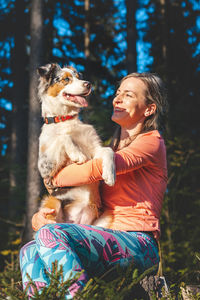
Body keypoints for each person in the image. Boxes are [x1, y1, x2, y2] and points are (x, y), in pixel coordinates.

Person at [20, 72, 168, 299]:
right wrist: (43, 216)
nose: (117, 99)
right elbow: (78, 191)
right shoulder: (109, 146)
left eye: (128, 95)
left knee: (52, 235)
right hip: (102, 235)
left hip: (139, 244)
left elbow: (95, 169)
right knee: (29, 250)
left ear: (149, 109)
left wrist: (52, 179)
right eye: (118, 93)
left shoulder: (151, 141)